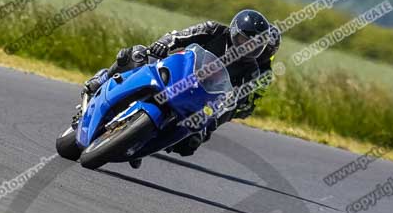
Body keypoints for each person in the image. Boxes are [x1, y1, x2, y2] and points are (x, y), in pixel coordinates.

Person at [81, 9, 281, 157]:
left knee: (191, 141)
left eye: (254, 46)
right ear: (235, 31)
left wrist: (215, 118)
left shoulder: (252, 71)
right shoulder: (213, 30)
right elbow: (179, 36)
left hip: (202, 98)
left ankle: (140, 142)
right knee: (135, 54)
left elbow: (236, 101)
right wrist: (162, 44)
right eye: (245, 40)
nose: (247, 48)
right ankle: (103, 78)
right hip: (176, 70)